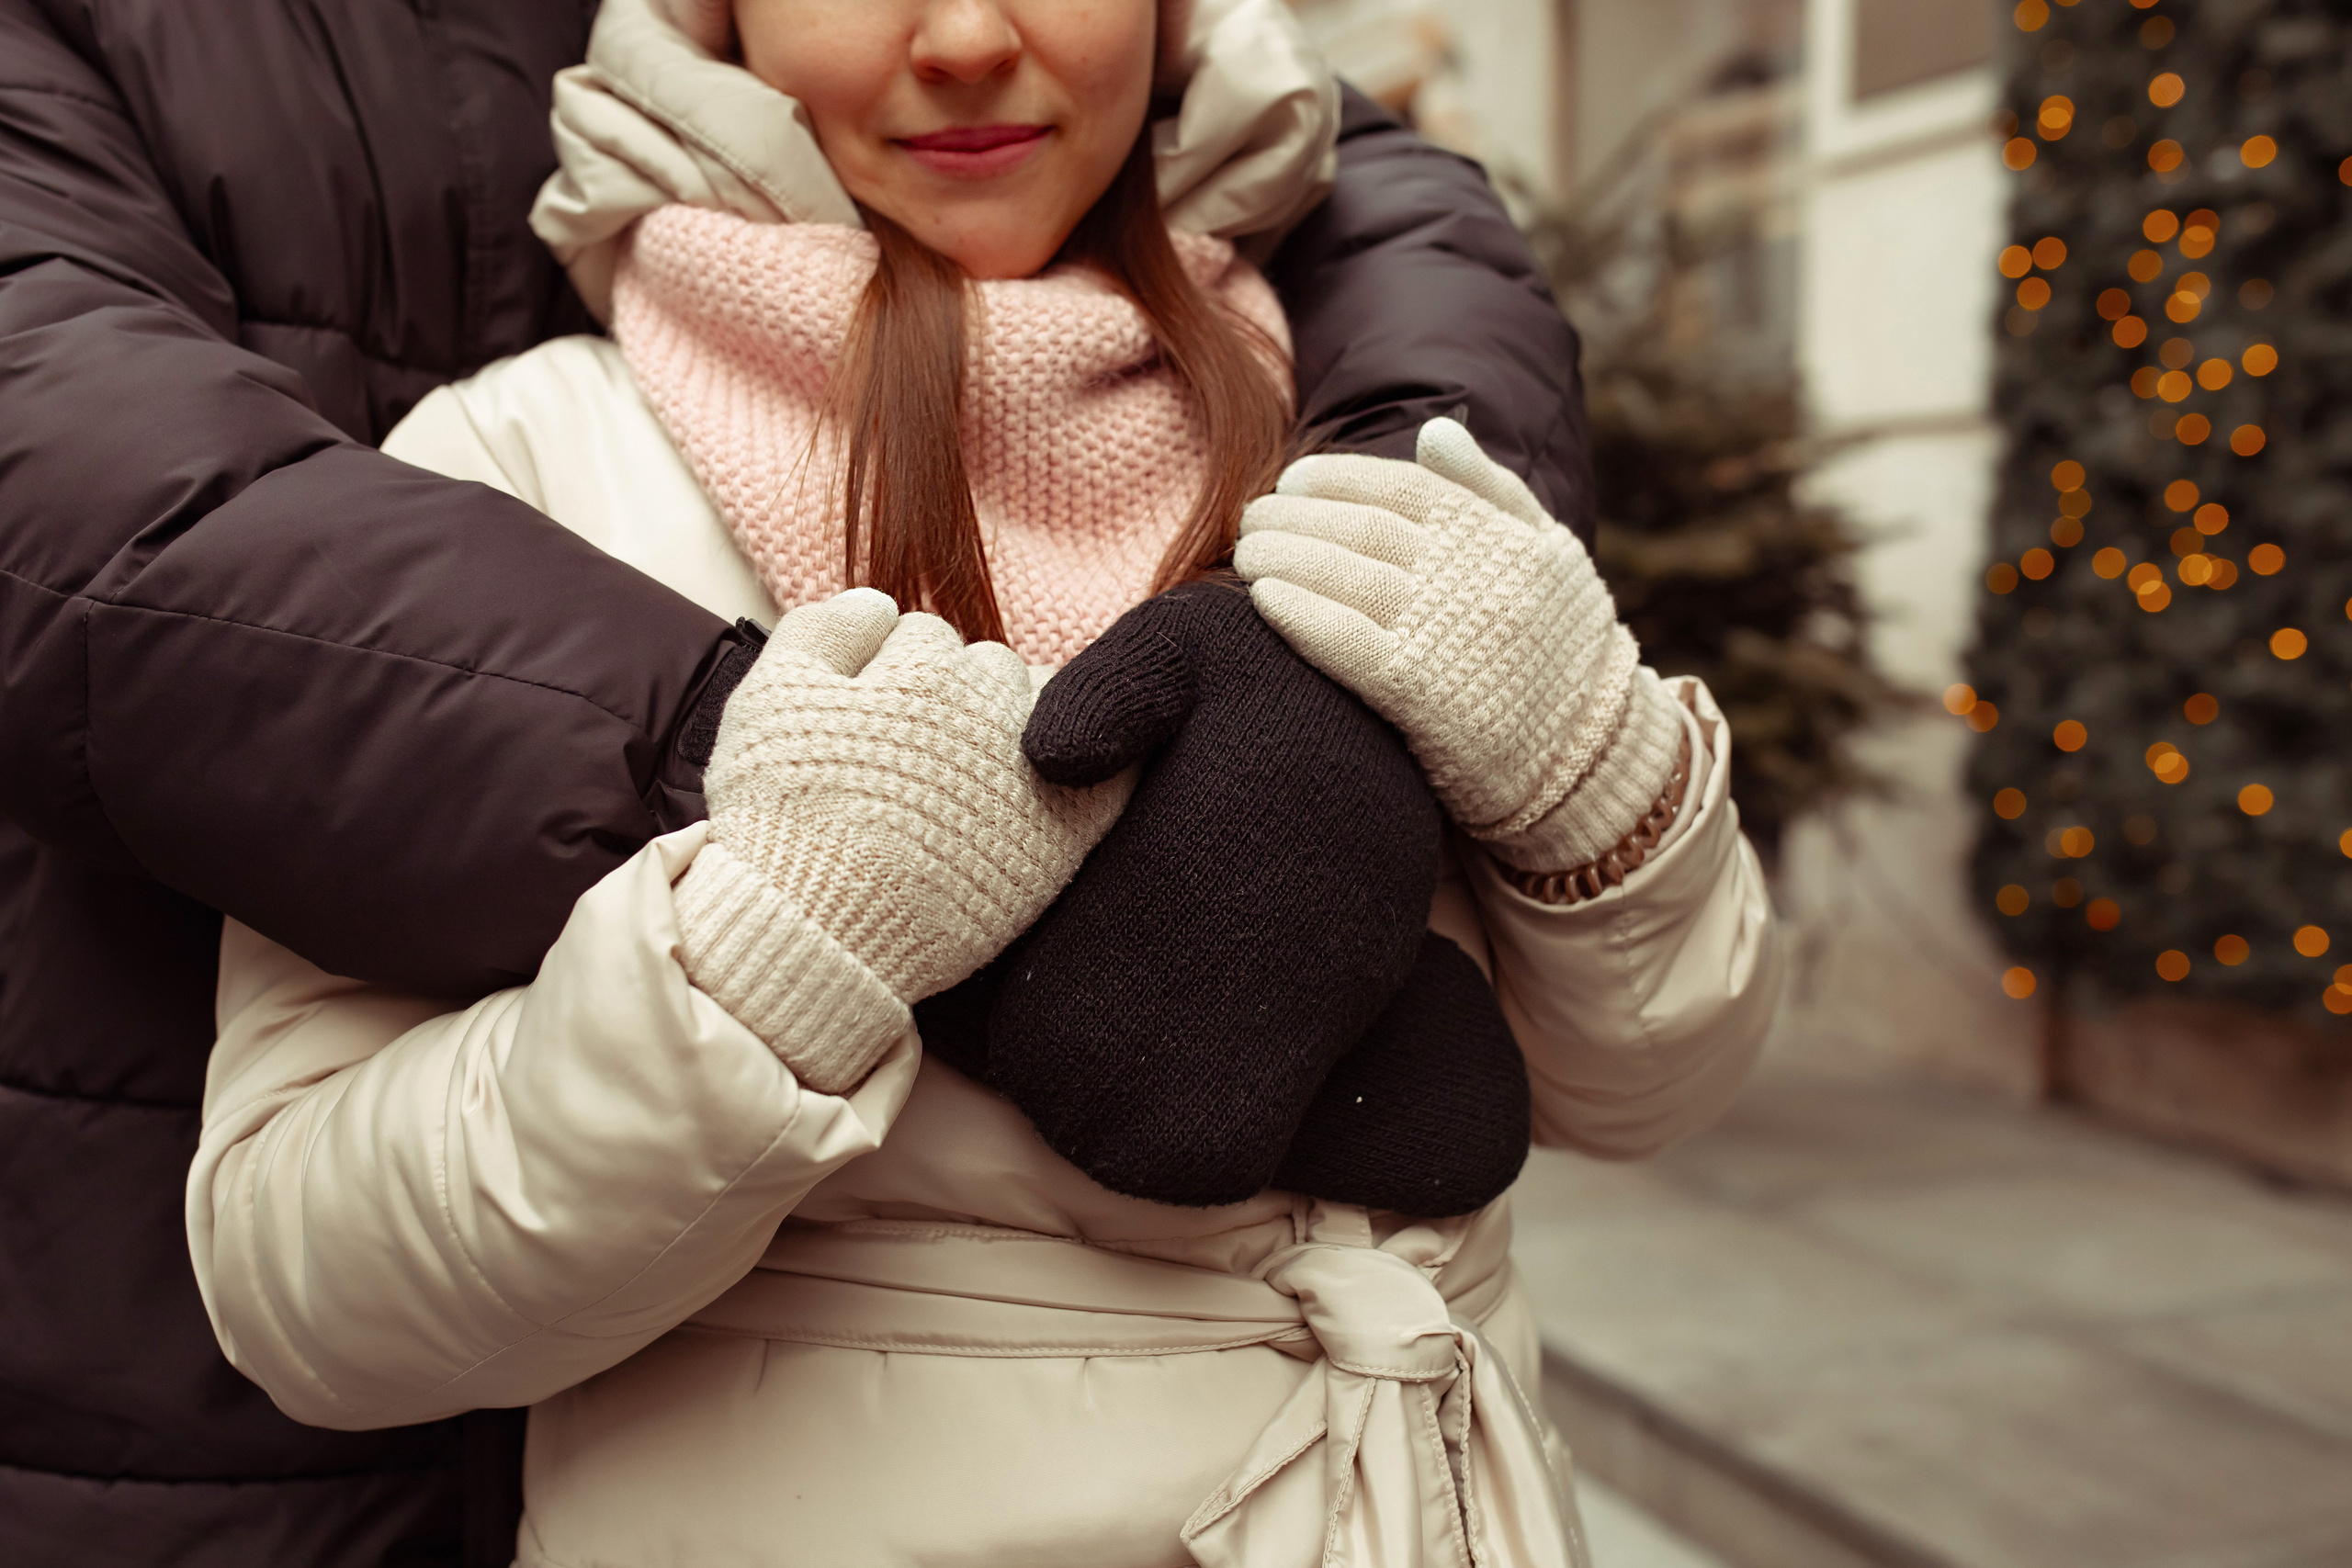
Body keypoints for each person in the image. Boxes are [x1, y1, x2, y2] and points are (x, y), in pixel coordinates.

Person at [0, 4, 1664, 1567]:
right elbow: (313, 1289)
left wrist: (1595, 785)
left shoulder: (1363, 411)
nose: (961, 39)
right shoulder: (528, 460)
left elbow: (1644, 1086)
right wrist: (778, 951)